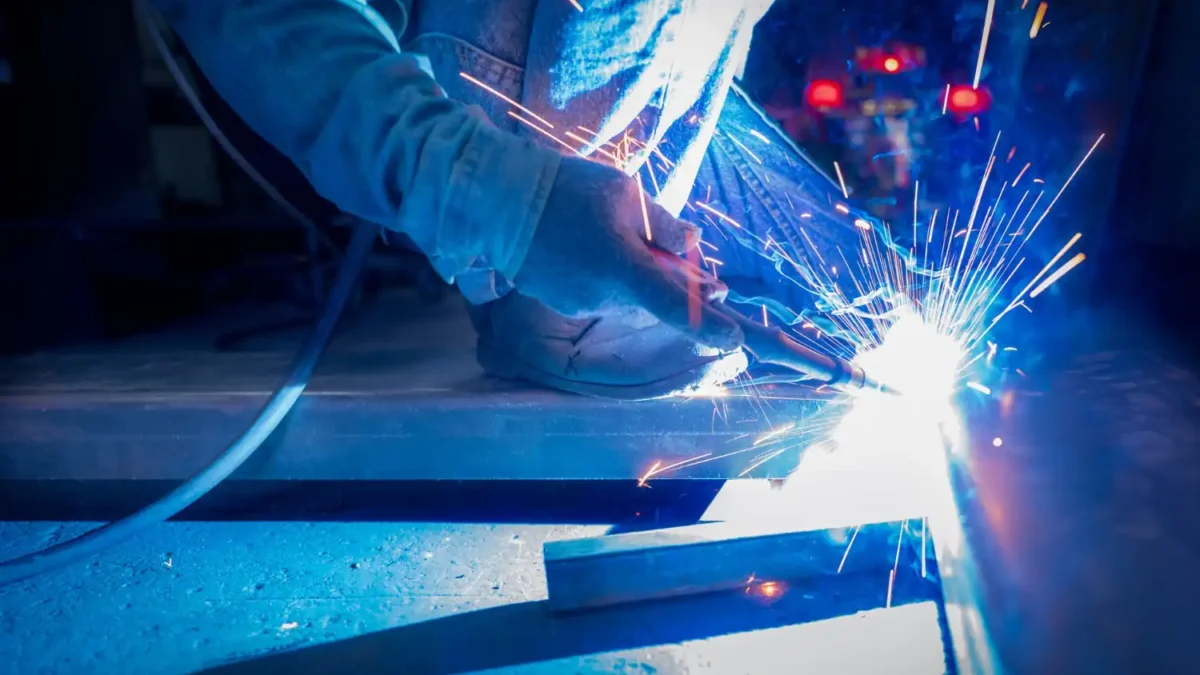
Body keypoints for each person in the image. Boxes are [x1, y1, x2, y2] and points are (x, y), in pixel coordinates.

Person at [152, 0, 854, 398]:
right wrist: (512, 200)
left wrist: (826, 245)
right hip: (493, 127)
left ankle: (599, 238)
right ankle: (549, 304)